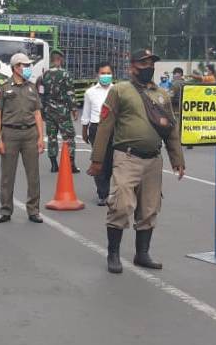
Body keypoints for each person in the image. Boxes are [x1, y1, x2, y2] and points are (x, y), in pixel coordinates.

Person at [87, 49, 185, 274]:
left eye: (151, 63)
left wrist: (177, 158)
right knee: (121, 205)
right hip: (126, 157)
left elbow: (170, 129)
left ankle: (142, 253)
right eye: (143, 63)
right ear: (132, 67)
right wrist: (97, 160)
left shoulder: (161, 94)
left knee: (150, 208)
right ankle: (113, 253)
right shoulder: (120, 91)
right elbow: (105, 127)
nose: (148, 67)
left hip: (153, 160)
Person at [0, 53, 45, 224]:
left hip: (30, 134)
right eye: (25, 65)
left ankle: (33, 210)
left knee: (33, 175)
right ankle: (5, 210)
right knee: (7, 175)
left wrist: (40, 137)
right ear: (16, 67)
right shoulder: (3, 87)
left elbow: (37, 113)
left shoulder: (32, 88)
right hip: (10, 134)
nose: (28, 68)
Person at [39, 49, 79, 173]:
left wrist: (42, 111)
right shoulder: (65, 74)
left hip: (49, 111)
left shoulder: (44, 75)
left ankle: (53, 164)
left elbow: (41, 94)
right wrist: (74, 109)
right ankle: (71, 164)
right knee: (69, 137)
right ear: (60, 59)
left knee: (52, 137)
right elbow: (70, 93)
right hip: (62, 111)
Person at [82, 64, 115, 206]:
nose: (106, 76)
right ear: (97, 75)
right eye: (103, 73)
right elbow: (86, 113)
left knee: (112, 162)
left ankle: (111, 189)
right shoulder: (90, 92)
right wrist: (85, 130)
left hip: (114, 129)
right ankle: (103, 193)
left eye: (108, 73)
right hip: (96, 128)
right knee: (99, 161)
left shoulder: (118, 91)